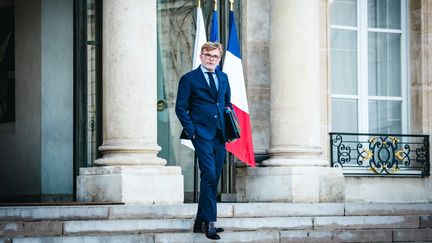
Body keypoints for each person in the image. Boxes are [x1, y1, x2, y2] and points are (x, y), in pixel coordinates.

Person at [175, 42, 232, 240]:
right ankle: (210, 222)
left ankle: (199, 221)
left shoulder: (223, 77)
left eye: (215, 56)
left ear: (219, 58)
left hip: (219, 135)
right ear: (201, 56)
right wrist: (192, 131)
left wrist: (228, 125)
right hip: (201, 134)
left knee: (212, 177)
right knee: (208, 174)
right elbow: (180, 108)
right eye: (208, 55)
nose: (211, 59)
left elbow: (226, 103)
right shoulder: (189, 79)